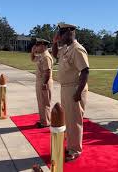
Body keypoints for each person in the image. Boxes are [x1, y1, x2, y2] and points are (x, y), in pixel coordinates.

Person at [52, 23, 90, 162]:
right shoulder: (66, 49)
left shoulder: (77, 49)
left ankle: (74, 150)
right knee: (68, 119)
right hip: (66, 88)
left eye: (61, 34)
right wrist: (55, 42)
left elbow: (85, 71)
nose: (59, 37)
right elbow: (55, 54)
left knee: (74, 120)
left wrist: (78, 92)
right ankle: (70, 146)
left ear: (69, 33)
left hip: (75, 88)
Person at [31, 38, 53, 128]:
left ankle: (46, 122)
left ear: (43, 45)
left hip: (44, 81)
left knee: (44, 103)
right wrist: (32, 52)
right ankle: (43, 120)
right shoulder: (41, 55)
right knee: (41, 102)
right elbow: (33, 59)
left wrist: (44, 84)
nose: (36, 47)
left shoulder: (46, 56)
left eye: (37, 45)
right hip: (40, 81)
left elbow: (47, 72)